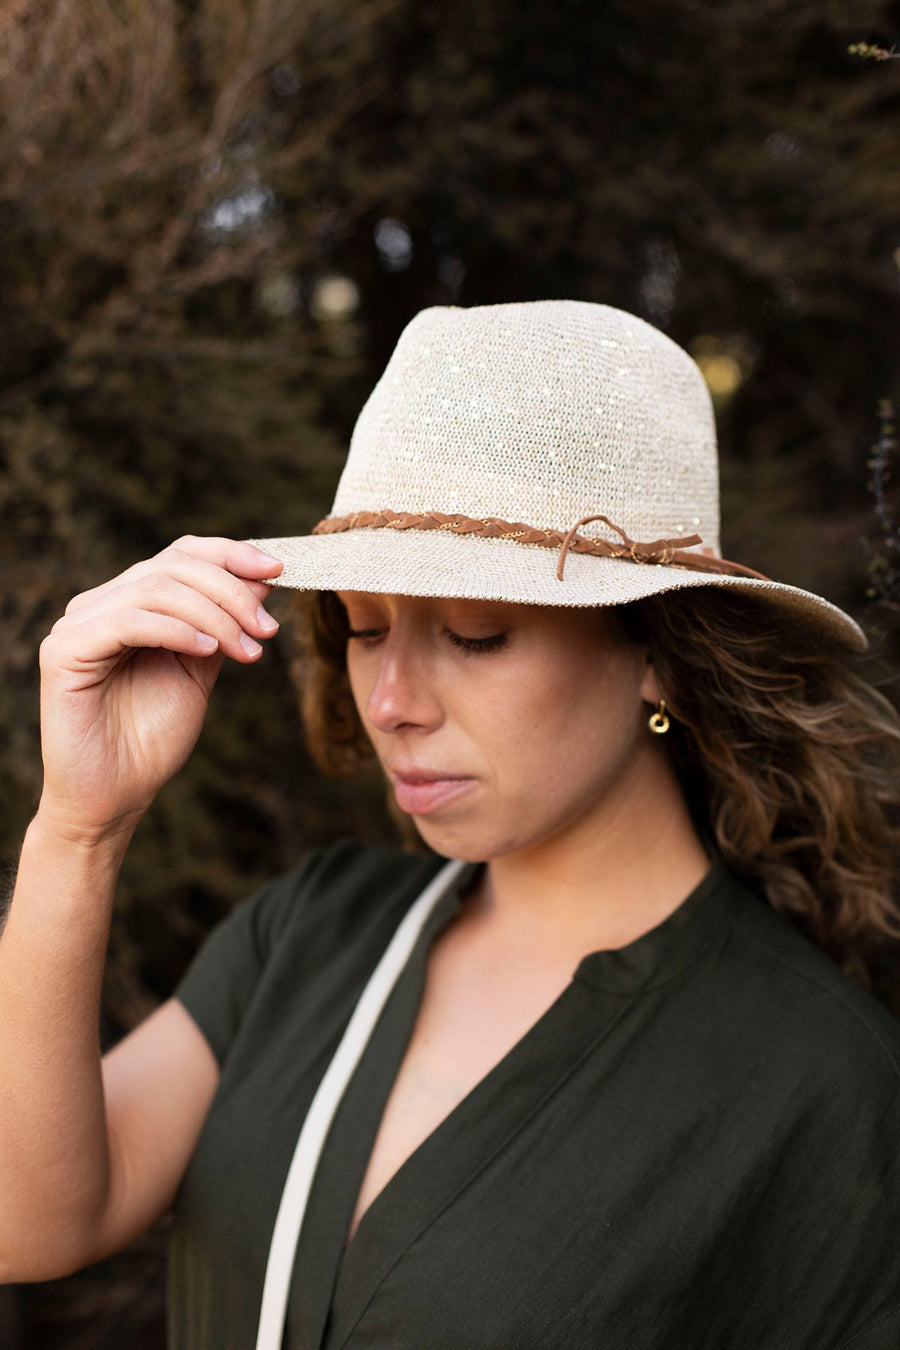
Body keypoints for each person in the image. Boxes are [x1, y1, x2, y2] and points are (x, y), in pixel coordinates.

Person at [1, 300, 899, 1350]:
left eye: (477, 634)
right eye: (364, 630)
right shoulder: (311, 931)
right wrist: (80, 828)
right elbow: (27, 1223)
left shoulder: (821, 1081)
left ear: (657, 649)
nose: (392, 700)